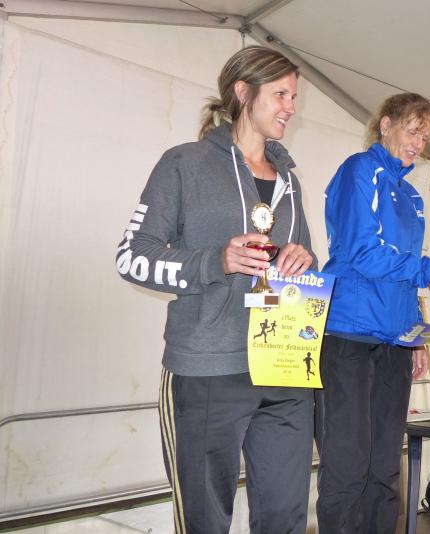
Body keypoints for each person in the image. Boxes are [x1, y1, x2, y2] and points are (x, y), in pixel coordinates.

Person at [116, 46, 316, 533]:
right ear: (243, 92)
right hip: (208, 369)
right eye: (281, 95)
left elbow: (306, 260)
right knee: (204, 521)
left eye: (294, 97)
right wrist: (214, 260)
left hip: (285, 367)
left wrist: (303, 260)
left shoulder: (290, 181)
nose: (291, 107)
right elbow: (132, 256)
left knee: (285, 518)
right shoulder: (183, 164)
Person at [316, 93, 430, 534]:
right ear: (385, 125)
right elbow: (363, 252)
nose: (419, 143)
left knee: (386, 463)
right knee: (348, 463)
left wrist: (416, 333)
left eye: (426, 136)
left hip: (394, 339)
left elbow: (405, 272)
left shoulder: (412, 196)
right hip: (349, 334)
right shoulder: (359, 170)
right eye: (413, 130)